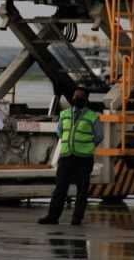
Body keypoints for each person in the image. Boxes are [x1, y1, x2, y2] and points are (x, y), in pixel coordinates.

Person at [38, 86, 103, 226]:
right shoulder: (64, 114)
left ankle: (77, 218)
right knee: (60, 188)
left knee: (82, 190)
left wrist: (86, 146)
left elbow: (99, 136)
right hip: (67, 156)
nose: (76, 99)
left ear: (86, 99)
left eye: (79, 97)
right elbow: (60, 132)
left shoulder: (93, 116)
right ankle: (52, 216)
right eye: (75, 96)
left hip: (84, 158)